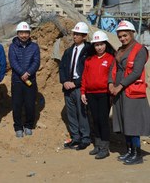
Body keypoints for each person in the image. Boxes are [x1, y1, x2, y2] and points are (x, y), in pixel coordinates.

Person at [109, 20, 150, 165]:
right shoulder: (120, 50)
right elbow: (113, 68)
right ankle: (129, 151)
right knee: (124, 123)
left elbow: (136, 72)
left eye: (125, 35)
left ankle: (137, 155)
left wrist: (120, 86)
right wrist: (110, 83)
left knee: (132, 124)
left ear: (132, 33)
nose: (122, 38)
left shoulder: (140, 50)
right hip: (120, 92)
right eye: (120, 36)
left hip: (132, 92)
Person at [80, 30, 115, 159]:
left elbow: (113, 77)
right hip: (91, 94)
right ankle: (98, 145)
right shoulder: (89, 60)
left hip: (104, 94)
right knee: (95, 120)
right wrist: (83, 92)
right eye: (96, 45)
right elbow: (84, 77)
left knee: (103, 120)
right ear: (93, 46)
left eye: (101, 44)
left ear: (105, 44)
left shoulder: (111, 59)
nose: (99, 47)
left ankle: (105, 148)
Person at [59, 21, 91, 150]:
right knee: (71, 113)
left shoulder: (89, 50)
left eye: (78, 34)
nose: (75, 36)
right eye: (74, 33)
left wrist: (76, 83)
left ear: (84, 36)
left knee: (82, 113)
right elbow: (62, 67)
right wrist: (64, 81)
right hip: (68, 86)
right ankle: (75, 137)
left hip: (79, 87)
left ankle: (85, 138)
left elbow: (88, 71)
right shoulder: (69, 51)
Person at [8, 21, 40, 138]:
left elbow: (36, 62)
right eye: (21, 33)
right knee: (16, 105)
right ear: (17, 34)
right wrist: (22, 73)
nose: (24, 35)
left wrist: (28, 73)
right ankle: (18, 127)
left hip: (30, 81)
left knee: (30, 105)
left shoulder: (34, 47)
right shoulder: (12, 47)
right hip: (17, 81)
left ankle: (28, 126)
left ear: (29, 34)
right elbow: (13, 61)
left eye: (26, 32)